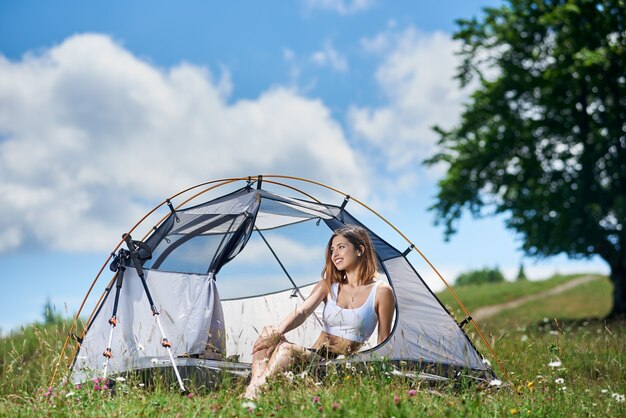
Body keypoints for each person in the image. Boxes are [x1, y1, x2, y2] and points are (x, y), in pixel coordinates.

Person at [243, 225, 396, 399]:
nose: (335, 254)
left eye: (341, 247)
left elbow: (384, 339)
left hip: (338, 363)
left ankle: (253, 392)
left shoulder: (381, 291)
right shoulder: (328, 285)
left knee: (285, 349)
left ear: (360, 250)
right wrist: (277, 333)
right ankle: (254, 389)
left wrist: (377, 374)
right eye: (332, 250)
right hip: (313, 355)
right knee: (267, 332)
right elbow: (302, 312)